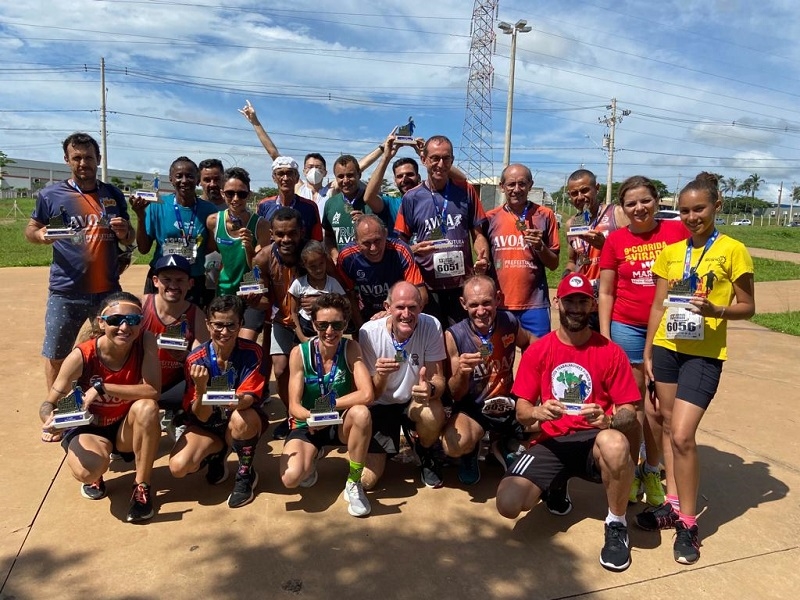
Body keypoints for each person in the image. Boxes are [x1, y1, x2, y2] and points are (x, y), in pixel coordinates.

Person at [638, 172, 755, 565]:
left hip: (704, 355)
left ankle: (688, 523)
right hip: (668, 348)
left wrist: (716, 310)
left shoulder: (733, 250)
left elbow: (748, 306)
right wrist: (651, 352)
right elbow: (658, 305)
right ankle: (671, 504)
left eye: (699, 209)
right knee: (668, 427)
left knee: (684, 435)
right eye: (685, 210)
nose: (691, 217)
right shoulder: (670, 252)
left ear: (716, 206)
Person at [495, 272, 640, 572]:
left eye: (582, 301)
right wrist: (537, 412)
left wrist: (609, 419)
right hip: (551, 441)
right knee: (508, 504)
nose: (576, 307)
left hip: (592, 442)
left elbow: (630, 410)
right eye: (570, 300)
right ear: (557, 302)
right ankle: (555, 484)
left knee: (615, 442)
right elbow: (521, 410)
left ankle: (616, 524)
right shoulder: (539, 350)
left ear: (592, 305)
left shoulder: (610, 352)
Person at [597, 176, 689, 507]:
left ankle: (653, 467)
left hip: (669, 327)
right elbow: (605, 291)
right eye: (631, 203)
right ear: (622, 208)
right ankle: (635, 468)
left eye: (645, 201)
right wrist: (606, 336)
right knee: (632, 404)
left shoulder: (676, 232)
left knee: (661, 408)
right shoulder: (616, 240)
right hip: (627, 328)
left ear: (657, 200)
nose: (639, 208)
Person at [25, 132, 136, 397]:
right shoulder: (50, 195)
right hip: (66, 290)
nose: (83, 163)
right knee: (57, 354)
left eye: (88, 157)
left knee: (111, 348)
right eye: (77, 157)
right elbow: (32, 229)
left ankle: (103, 402)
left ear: (98, 159)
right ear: (67, 160)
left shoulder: (112, 194)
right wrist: (40, 236)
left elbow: (130, 236)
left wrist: (125, 232)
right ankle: (56, 409)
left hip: (107, 290)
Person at [39, 292, 161, 523]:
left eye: (133, 320)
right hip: (90, 428)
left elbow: (153, 390)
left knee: (148, 407)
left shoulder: (145, 342)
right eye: (115, 320)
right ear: (101, 323)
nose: (125, 327)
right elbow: (49, 402)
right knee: (88, 470)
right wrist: (49, 420)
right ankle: (95, 474)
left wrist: (102, 387)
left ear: (141, 322)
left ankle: (141, 487)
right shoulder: (82, 355)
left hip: (124, 426)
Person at [280, 293, 374, 517]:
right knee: (290, 479)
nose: (330, 331)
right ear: (313, 324)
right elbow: (293, 405)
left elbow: (367, 393)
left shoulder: (350, 348)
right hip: (308, 423)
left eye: (337, 324)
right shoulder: (299, 353)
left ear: (345, 324)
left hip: (340, 421)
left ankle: (353, 483)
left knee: (361, 413)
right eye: (322, 325)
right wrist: (311, 417)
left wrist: (328, 407)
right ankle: (312, 455)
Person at [170, 295, 267, 509]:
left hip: (238, 416)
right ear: (208, 324)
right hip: (208, 424)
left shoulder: (252, 352)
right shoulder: (195, 360)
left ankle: (245, 473)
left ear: (241, 324)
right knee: (178, 467)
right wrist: (202, 387)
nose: (224, 332)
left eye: (231, 325)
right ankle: (217, 453)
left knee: (242, 419)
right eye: (218, 325)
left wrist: (232, 399)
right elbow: (201, 415)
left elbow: (249, 398)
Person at [442, 275, 533, 485]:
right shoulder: (454, 335)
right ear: (464, 304)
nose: (481, 311)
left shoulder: (508, 321)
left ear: (498, 299)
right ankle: (471, 451)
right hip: (474, 408)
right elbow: (455, 393)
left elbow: (531, 343)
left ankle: (503, 444)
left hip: (508, 403)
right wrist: (462, 373)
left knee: (552, 418)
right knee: (453, 445)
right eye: (474, 305)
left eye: (486, 303)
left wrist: (530, 381)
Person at [394, 135, 490, 328]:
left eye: (446, 158)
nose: (440, 164)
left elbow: (478, 234)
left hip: (461, 284)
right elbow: (399, 244)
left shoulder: (466, 191)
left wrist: (483, 257)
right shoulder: (411, 198)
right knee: (432, 345)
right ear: (424, 160)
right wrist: (413, 249)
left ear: (452, 161)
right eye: (434, 158)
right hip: (428, 287)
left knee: (461, 342)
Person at [358, 282, 448, 489]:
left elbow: (439, 380)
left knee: (433, 413)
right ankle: (384, 449)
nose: (406, 314)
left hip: (414, 401)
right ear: (387, 307)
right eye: (399, 307)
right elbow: (369, 394)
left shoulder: (432, 325)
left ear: (421, 307)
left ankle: (425, 450)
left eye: (412, 307)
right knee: (368, 482)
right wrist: (381, 376)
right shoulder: (368, 333)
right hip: (381, 404)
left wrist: (430, 390)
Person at [251, 207, 308, 439]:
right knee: (281, 368)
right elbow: (260, 298)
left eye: (292, 233)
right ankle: (292, 415)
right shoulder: (262, 258)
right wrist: (254, 296)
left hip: (311, 324)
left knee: (315, 370)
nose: (286, 239)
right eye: (280, 234)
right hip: (281, 321)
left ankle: (321, 413)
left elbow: (334, 284)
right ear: (272, 234)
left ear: (301, 232)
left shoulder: (313, 253)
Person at [131, 156, 218, 307]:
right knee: (155, 325)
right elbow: (144, 250)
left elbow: (212, 252)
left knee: (188, 327)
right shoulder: (158, 206)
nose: (184, 180)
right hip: (162, 278)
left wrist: (211, 286)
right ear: (171, 179)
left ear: (197, 180)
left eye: (190, 176)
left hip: (192, 281)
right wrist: (140, 216)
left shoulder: (209, 210)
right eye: (179, 176)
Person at [486, 164, 560, 337]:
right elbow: (485, 258)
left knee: (538, 358)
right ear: (502, 186)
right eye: (511, 184)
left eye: (522, 184)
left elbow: (554, 264)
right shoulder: (490, 218)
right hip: (500, 304)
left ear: (530, 185)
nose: (516, 189)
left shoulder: (545, 215)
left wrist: (540, 246)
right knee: (500, 359)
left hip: (535, 306)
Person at [141, 254, 209, 431]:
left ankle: (180, 417)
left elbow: (203, 361)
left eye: (180, 280)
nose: (173, 285)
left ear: (190, 284)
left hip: (175, 385)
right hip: (142, 382)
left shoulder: (196, 315)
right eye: (167, 279)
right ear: (155, 281)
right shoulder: (141, 306)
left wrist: (184, 356)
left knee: (205, 380)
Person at [563, 169, 628, 330]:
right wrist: (567, 275)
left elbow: (632, 254)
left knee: (612, 350)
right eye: (574, 193)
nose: (580, 197)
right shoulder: (571, 224)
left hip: (613, 300)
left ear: (597, 188)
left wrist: (605, 246)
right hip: (586, 302)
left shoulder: (617, 213)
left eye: (585, 190)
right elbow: (572, 261)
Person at [336, 215, 426, 328]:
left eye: (377, 241)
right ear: (356, 241)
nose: (373, 248)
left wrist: (390, 313)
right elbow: (348, 296)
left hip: (399, 313)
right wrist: (362, 329)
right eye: (366, 243)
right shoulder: (347, 257)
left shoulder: (400, 251)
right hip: (366, 315)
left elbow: (421, 295)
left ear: (385, 234)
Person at [206, 167, 271, 296]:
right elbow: (212, 253)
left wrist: (248, 247)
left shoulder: (261, 225)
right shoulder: (213, 221)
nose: (235, 199)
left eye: (241, 194)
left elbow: (259, 267)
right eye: (230, 193)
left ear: (249, 194)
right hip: (225, 289)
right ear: (222, 193)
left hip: (251, 290)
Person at [323, 154, 394, 263]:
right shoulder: (330, 204)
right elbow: (328, 236)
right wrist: (334, 254)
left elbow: (387, 234)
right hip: (344, 270)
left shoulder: (373, 201)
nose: (345, 180)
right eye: (341, 176)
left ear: (359, 175)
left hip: (373, 267)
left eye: (350, 175)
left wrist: (368, 223)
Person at [289, 241, 346, 342]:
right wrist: (301, 337)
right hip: (305, 327)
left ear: (325, 260)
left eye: (321, 263)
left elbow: (345, 304)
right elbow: (293, 312)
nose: (318, 269)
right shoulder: (299, 284)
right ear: (304, 265)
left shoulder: (332, 283)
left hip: (328, 328)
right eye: (312, 266)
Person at [256, 157, 323, 243]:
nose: (285, 178)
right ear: (274, 178)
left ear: (297, 177)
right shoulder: (264, 206)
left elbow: (317, 242)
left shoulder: (310, 207)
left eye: (290, 173)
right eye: (280, 174)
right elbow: (258, 239)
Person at [198, 158, 226, 307]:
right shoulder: (193, 208)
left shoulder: (235, 209)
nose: (213, 184)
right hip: (199, 277)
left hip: (226, 278)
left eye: (217, 179)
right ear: (199, 181)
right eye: (207, 179)